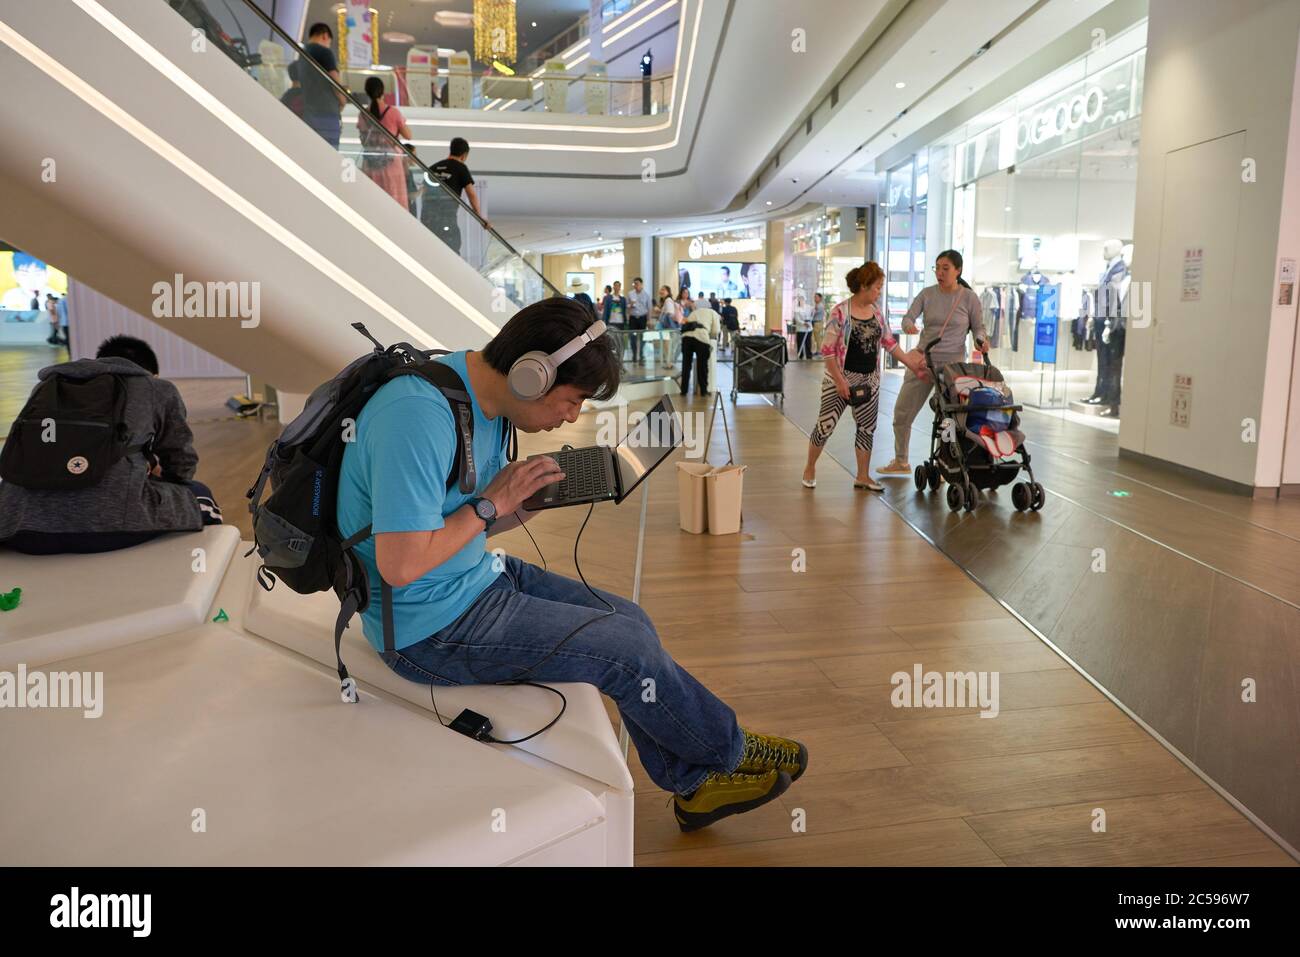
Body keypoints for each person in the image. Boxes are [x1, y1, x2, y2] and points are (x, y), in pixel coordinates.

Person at [335, 297, 808, 830]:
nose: (573, 415)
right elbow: (401, 565)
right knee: (627, 652)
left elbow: (467, 521)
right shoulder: (417, 416)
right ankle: (727, 754)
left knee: (632, 620)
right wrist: (492, 503)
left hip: (471, 580)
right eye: (573, 399)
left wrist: (517, 507)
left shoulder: (482, 403)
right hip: (427, 631)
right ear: (532, 376)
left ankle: (695, 783)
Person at [0, 335, 222, 554]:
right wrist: (168, 479)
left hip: (17, 524)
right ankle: (199, 571)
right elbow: (181, 461)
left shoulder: (47, 387)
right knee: (201, 496)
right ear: (151, 373)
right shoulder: (156, 388)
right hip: (108, 527)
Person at [803, 263, 930, 491]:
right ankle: (810, 467)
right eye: (877, 287)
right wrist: (841, 381)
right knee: (825, 426)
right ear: (863, 286)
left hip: (869, 380)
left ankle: (862, 476)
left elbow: (889, 342)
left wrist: (912, 363)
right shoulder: (840, 312)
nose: (879, 292)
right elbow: (828, 351)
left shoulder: (877, 313)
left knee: (866, 428)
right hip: (839, 379)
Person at [878, 249, 989, 476]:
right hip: (922, 362)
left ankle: (944, 461)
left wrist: (980, 340)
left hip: (952, 368)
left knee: (948, 418)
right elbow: (909, 316)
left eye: (945, 269)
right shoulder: (927, 294)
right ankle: (901, 461)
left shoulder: (969, 298)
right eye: (937, 268)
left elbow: (978, 327)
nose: (939, 273)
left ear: (957, 271)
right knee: (901, 413)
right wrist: (908, 324)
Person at [422, 137, 489, 256]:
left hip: (427, 218)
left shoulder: (432, 168)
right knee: (452, 250)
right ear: (464, 155)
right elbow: (471, 194)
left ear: (451, 150)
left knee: (430, 251)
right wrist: (480, 217)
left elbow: (423, 192)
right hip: (446, 218)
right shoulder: (460, 167)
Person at [358, 77, 412, 208]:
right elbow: (408, 136)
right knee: (394, 205)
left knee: (374, 205)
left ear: (367, 92)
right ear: (383, 91)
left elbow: (363, 141)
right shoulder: (393, 112)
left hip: (371, 165)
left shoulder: (363, 114)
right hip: (392, 164)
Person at [298, 22, 346, 148]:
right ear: (325, 36)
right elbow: (334, 81)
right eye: (329, 42)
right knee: (329, 155)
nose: (328, 45)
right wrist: (342, 100)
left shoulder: (301, 55)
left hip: (308, 113)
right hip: (327, 114)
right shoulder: (325, 52)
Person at [681, 296, 720, 396]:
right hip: (701, 337)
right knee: (702, 365)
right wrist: (710, 335)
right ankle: (703, 390)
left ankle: (684, 390)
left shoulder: (694, 312)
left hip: (686, 337)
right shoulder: (713, 313)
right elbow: (716, 331)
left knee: (686, 365)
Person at [626, 276, 651, 364]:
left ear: (641, 284)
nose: (635, 285)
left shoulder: (646, 295)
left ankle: (641, 355)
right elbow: (627, 306)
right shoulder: (630, 294)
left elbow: (649, 308)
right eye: (634, 284)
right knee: (633, 338)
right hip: (633, 318)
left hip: (642, 318)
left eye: (637, 284)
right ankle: (634, 355)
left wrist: (648, 320)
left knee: (642, 338)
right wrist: (630, 305)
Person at [656, 284, 681, 366]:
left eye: (663, 290)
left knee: (667, 345)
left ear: (668, 292)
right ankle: (668, 362)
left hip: (667, 327)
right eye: (661, 289)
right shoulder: (667, 301)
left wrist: (659, 311)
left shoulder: (668, 300)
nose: (661, 291)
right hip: (668, 327)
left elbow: (670, 312)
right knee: (667, 345)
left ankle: (669, 363)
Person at [601, 280, 628, 351]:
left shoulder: (623, 299)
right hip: (611, 322)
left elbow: (625, 311)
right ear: (613, 287)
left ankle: (620, 353)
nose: (617, 287)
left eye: (618, 286)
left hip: (620, 322)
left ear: (620, 287)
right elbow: (606, 310)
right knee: (612, 340)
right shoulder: (609, 298)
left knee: (621, 340)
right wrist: (603, 321)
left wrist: (626, 322)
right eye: (615, 286)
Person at [792, 293, 813, 359]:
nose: (801, 300)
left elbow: (813, 312)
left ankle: (809, 355)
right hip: (800, 329)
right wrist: (804, 323)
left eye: (802, 299)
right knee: (800, 343)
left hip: (808, 328)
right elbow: (797, 319)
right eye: (800, 299)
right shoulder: (796, 309)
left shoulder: (809, 307)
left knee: (808, 343)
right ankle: (800, 355)